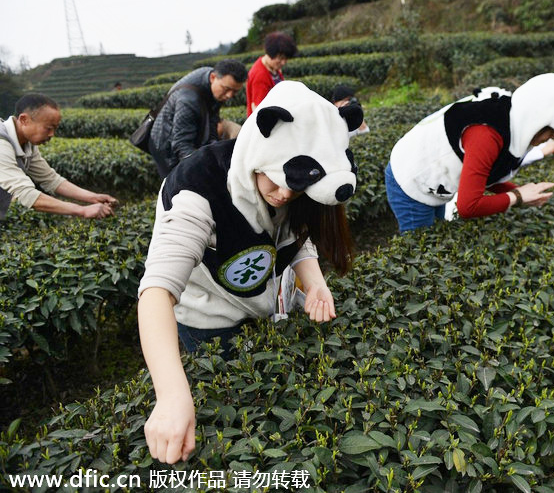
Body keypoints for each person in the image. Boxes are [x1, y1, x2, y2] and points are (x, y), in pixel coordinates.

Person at [137, 80, 363, 464]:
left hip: (264, 301)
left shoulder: (290, 187)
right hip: (209, 316)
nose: (285, 195)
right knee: (230, 413)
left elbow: (295, 237)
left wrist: (316, 283)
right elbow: (157, 290)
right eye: (278, 181)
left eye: (296, 189)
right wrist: (172, 395)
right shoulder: (196, 188)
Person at [385, 73, 554, 233]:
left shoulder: (511, 122)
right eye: (551, 131)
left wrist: (520, 192)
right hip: (411, 180)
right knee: (422, 249)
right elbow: (467, 206)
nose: (550, 138)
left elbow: (484, 173)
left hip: (435, 180)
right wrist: (517, 196)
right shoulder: (486, 135)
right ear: (537, 121)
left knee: (438, 231)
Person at [0, 93, 117, 221]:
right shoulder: (2, 144)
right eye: (48, 128)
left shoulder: (27, 143)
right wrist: (82, 210)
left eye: (55, 129)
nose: (51, 134)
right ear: (24, 120)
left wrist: (93, 197)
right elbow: (25, 194)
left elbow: (50, 179)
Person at [148, 59, 247, 178]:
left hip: (188, 132)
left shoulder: (213, 82)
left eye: (235, 91)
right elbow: (181, 144)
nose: (229, 95)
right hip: (166, 145)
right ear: (212, 78)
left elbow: (213, 120)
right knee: (177, 184)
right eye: (226, 89)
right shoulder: (188, 100)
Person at [246, 31, 298, 117]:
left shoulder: (273, 68)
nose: (283, 62)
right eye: (280, 58)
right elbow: (260, 110)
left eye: (286, 59)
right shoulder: (260, 75)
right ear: (270, 54)